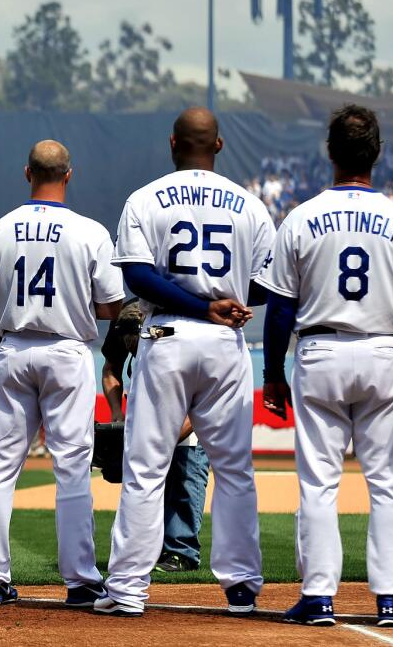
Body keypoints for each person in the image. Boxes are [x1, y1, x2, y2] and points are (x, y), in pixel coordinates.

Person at [261, 105, 393, 627]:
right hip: (383, 350)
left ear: (331, 153)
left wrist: (273, 373)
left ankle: (318, 598)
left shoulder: (301, 216)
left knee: (319, 482)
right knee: (387, 482)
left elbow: (281, 309)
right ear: (378, 154)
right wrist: (382, 299)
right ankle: (391, 601)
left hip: (320, 353)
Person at [95, 107, 273, 618]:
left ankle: (128, 589)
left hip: (168, 332)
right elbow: (268, 282)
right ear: (218, 146)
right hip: (226, 342)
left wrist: (199, 305)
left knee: (145, 467)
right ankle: (241, 586)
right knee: (235, 467)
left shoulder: (146, 198)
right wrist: (230, 300)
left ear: (172, 143)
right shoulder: (250, 205)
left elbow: (138, 276)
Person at [0, 141, 124, 606]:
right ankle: (79, 581)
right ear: (68, 175)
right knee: (72, 468)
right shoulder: (89, 231)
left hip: (14, 348)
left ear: (26, 173)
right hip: (68, 351)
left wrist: (0, 361)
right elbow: (112, 307)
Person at [100, 299, 210, 573]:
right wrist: (117, 413)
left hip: (187, 418)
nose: (130, 347)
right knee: (144, 487)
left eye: (134, 341)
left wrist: (166, 439)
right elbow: (111, 369)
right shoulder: (124, 320)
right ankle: (143, 550)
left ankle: (181, 553)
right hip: (147, 416)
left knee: (185, 482)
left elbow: (199, 402)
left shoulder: (179, 334)